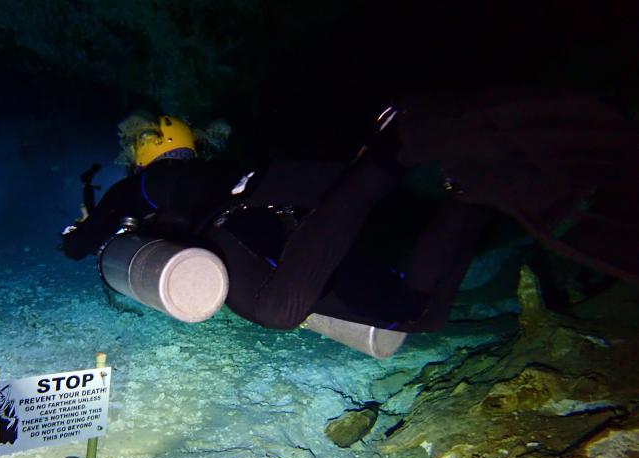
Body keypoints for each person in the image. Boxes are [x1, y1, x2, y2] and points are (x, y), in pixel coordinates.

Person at [62, 94, 639, 336]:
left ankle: (394, 145)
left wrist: (81, 232)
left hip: (268, 233)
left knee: (278, 311)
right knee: (416, 314)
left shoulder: (142, 185)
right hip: (289, 222)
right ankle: (469, 195)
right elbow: (257, 186)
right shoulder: (211, 172)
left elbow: (80, 243)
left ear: (139, 151)